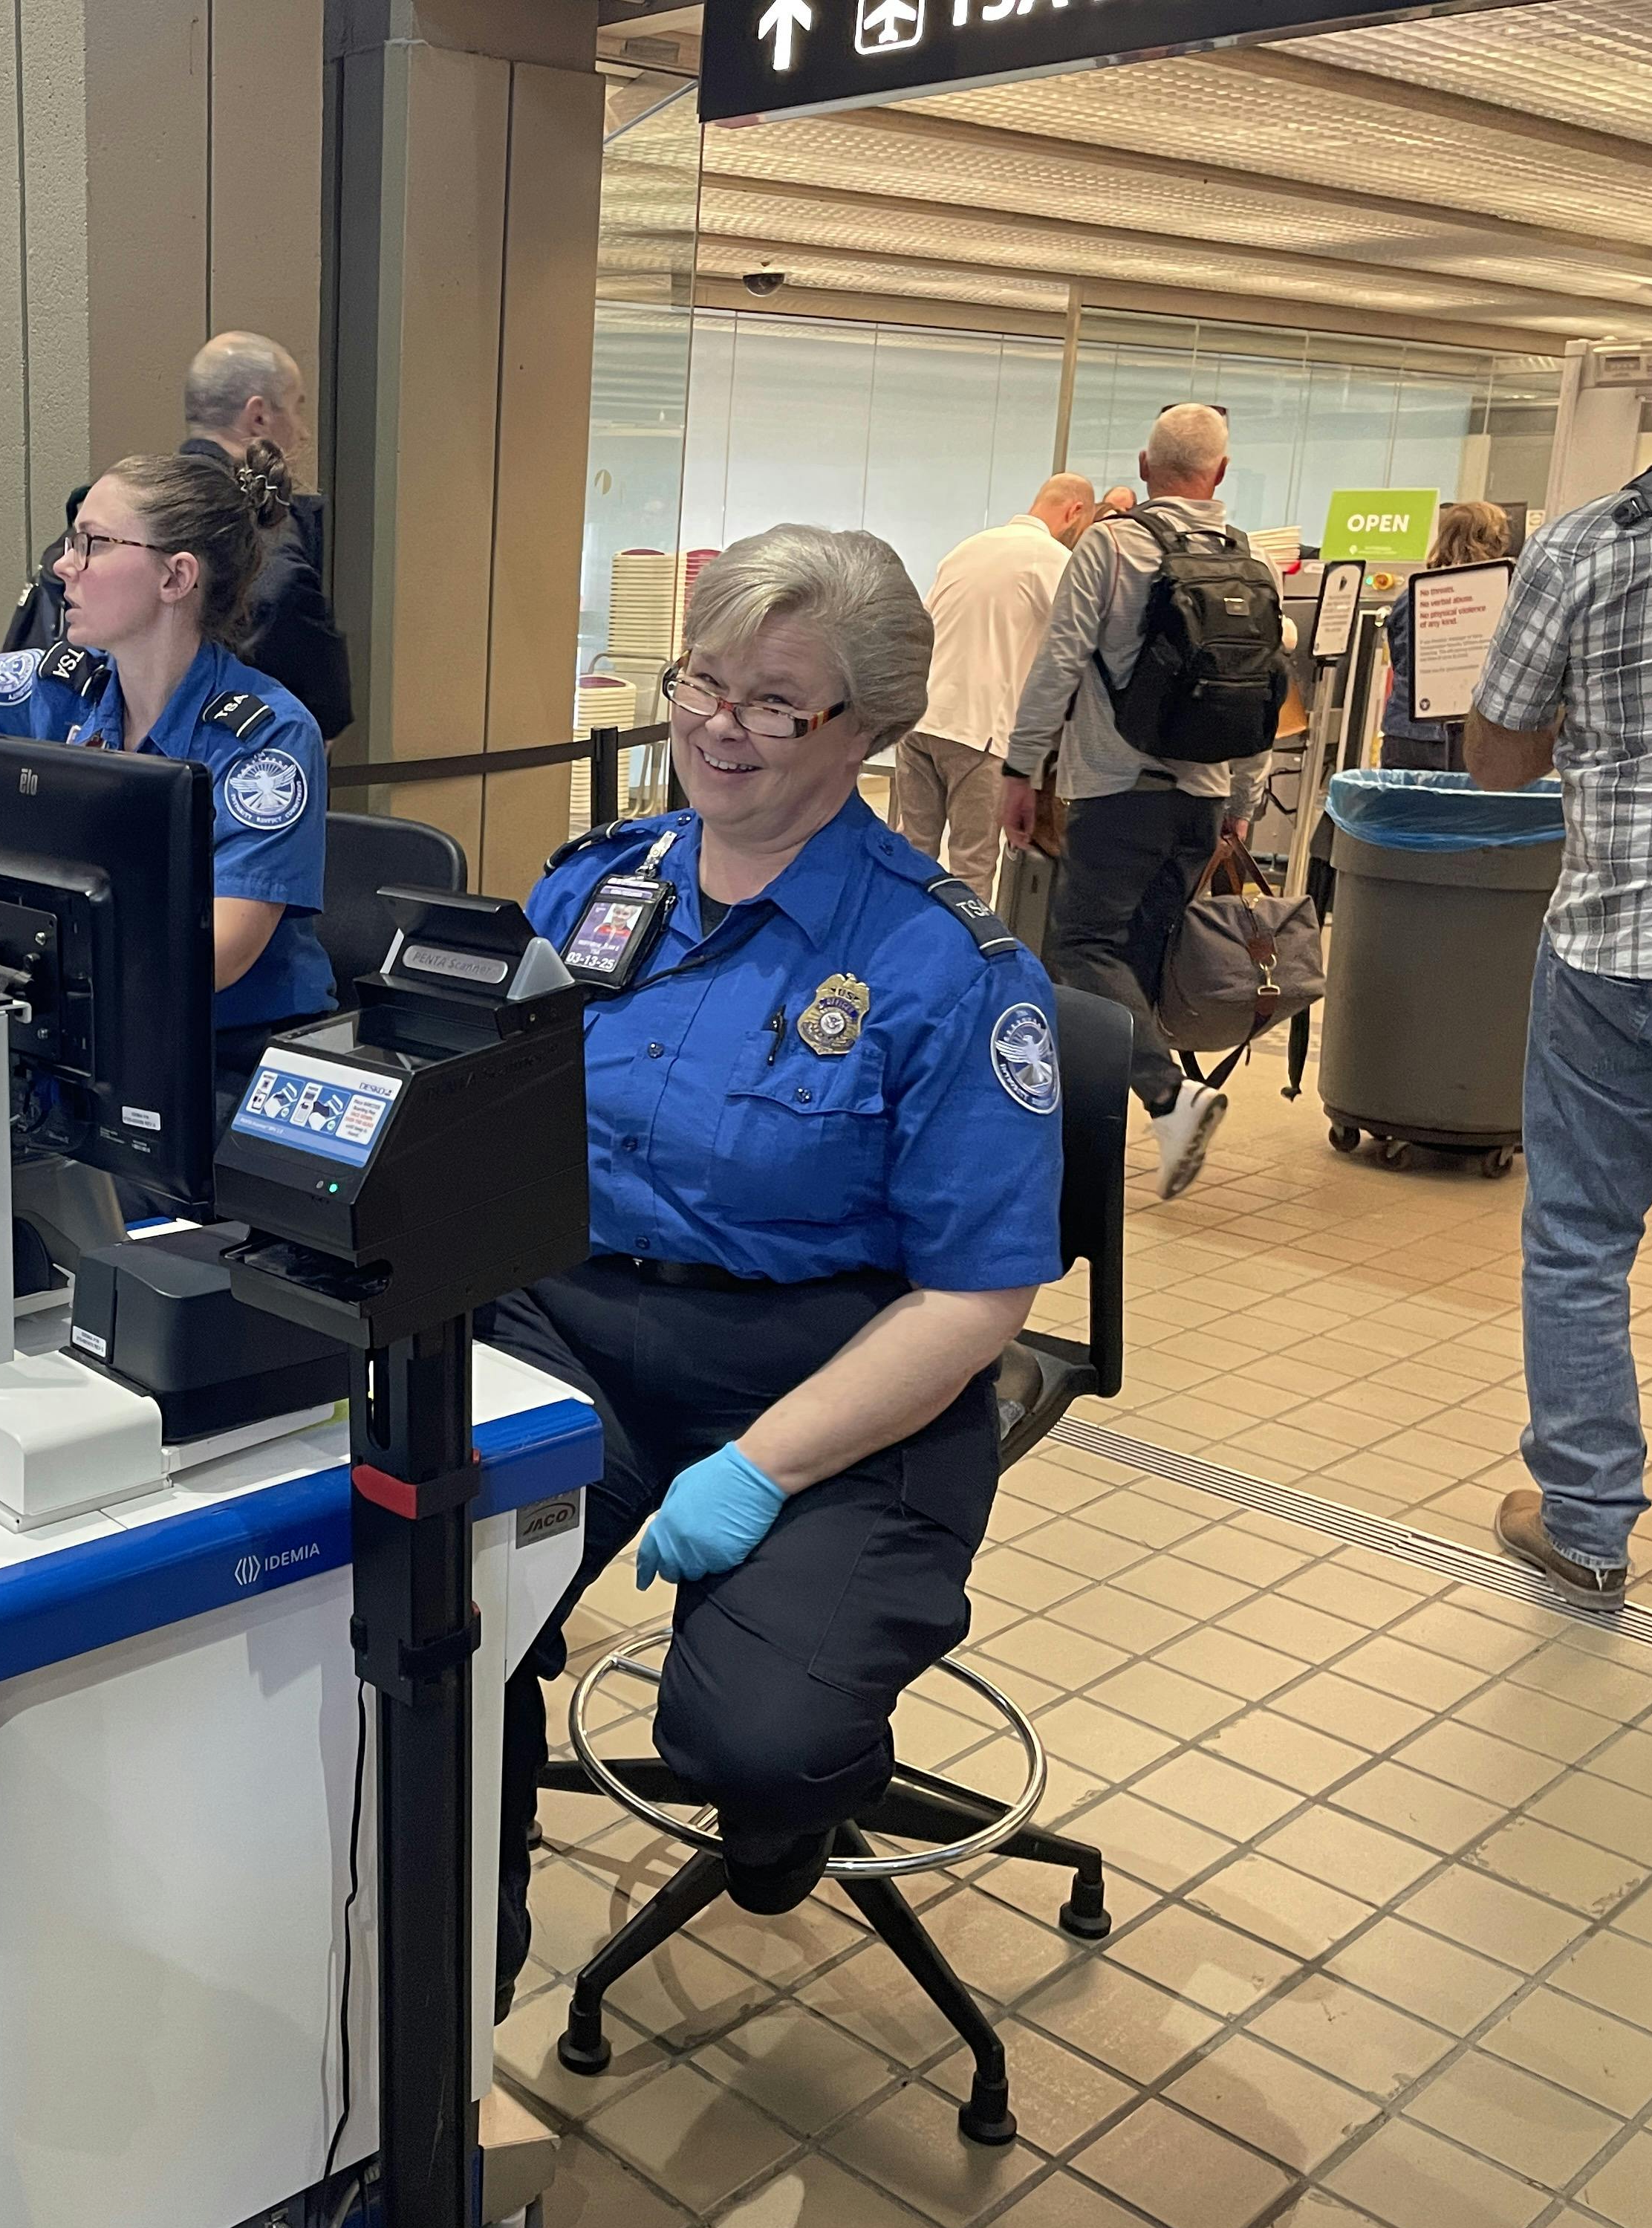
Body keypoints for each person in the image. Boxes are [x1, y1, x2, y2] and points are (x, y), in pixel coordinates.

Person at [487, 526, 1064, 2006]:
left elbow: (977, 1300)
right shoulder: (596, 889)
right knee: (428, 1631)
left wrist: (758, 1467)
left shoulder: (951, 970)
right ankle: (455, 1971)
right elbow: (489, 1115)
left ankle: (796, 1789)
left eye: (772, 702)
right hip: (574, 1331)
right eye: (701, 680)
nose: (714, 726)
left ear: (868, 727)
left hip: (835, 1372)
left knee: (757, 1739)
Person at [1466, 270, 1652, 1614]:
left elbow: (1499, 759)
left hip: (1616, 946)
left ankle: (1584, 1519)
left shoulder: (1586, 541)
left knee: (1579, 1237)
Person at [0, 444, 336, 1066]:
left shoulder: (266, 735)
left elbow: (219, 955)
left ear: (175, 577)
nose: (63, 568)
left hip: (230, 1055)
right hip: (91, 1027)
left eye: (94, 544)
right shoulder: (65, 685)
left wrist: (31, 964)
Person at [997, 406, 1280, 1200]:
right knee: (1141, 962)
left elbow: (1058, 664)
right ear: (1219, 475)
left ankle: (1167, 1097)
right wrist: (1241, 801)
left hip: (1115, 792)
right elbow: (1260, 697)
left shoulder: (1111, 546)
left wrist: (1022, 770)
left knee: (1083, 952)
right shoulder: (1246, 559)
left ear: (1147, 466)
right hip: (1203, 797)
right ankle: (1132, 1127)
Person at [3, 331, 354, 739]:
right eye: (297, 408)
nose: (67, 566)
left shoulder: (133, 508)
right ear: (258, 416)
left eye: (93, 544)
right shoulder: (261, 546)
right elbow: (325, 710)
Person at [891, 472, 1094, 890]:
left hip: (921, 721)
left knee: (911, 858)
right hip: (978, 733)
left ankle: (891, 951)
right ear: (1075, 512)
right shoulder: (1051, 559)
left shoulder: (968, 547)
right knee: (971, 869)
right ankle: (963, 956)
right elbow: (1086, 644)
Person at [1378, 500, 1512, 771]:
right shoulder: (1504, 597)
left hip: (1406, 734)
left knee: (1406, 811)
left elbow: (1400, 659)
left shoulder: (1416, 594)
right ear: (1495, 540)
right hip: (1476, 738)